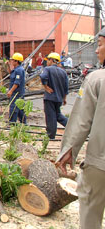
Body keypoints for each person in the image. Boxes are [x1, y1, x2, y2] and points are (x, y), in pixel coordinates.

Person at [56, 28, 105, 229]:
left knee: (91, 208)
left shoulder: (97, 79)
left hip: (100, 162)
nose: (96, 50)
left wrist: (68, 151)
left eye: (100, 44)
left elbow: (80, 121)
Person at [40, 52, 69, 139]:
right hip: (59, 98)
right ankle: (71, 125)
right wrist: (64, 98)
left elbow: (43, 77)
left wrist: (45, 87)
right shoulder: (63, 72)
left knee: (50, 116)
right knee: (57, 115)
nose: (47, 62)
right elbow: (66, 87)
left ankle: (50, 135)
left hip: (50, 97)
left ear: (52, 60)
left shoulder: (48, 69)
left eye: (48, 60)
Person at [7, 52, 27, 124]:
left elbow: (17, 83)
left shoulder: (19, 70)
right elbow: (11, 73)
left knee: (13, 108)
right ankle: (23, 123)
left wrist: (11, 91)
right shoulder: (16, 69)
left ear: (16, 61)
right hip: (17, 92)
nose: (11, 61)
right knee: (20, 108)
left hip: (17, 93)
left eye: (13, 60)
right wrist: (8, 65)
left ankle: (12, 123)